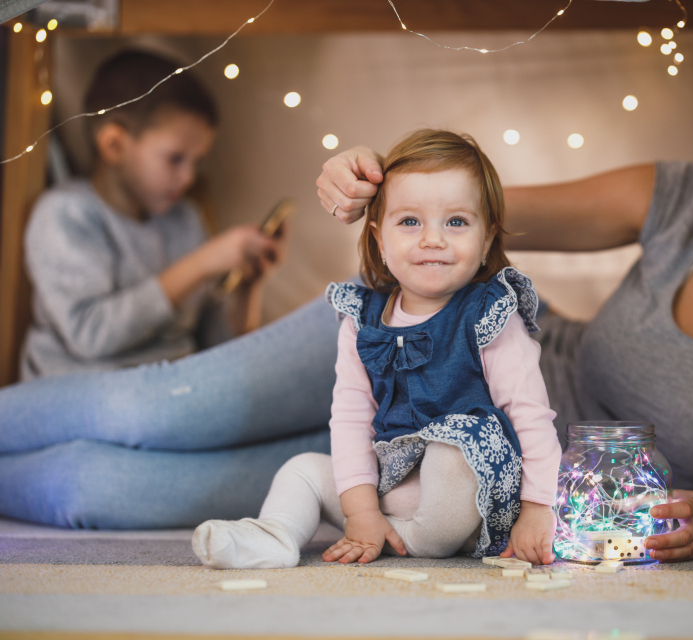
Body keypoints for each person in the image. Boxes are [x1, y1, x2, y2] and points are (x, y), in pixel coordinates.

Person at [0, 27, 693, 562]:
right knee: (150, 408)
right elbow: (467, 206)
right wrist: (372, 180)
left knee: (97, 489)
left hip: (464, 467)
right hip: (418, 331)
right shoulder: (681, 198)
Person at [191, 129, 560, 569]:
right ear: (379, 239)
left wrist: (537, 508)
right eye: (410, 222)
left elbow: (529, 413)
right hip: (392, 488)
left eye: (457, 222)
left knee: (453, 450)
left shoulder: (491, 313)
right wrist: (361, 512)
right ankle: (276, 535)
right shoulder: (361, 318)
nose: (433, 239)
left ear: (486, 241)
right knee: (302, 468)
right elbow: (350, 418)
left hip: (467, 496)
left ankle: (415, 539)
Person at [20, 50, 285, 380]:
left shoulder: (185, 218)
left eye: (196, 161)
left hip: (171, 386)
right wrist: (201, 263)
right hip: (86, 388)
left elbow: (217, 345)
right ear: (115, 145)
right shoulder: (65, 214)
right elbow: (89, 335)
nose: (189, 177)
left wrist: (249, 286)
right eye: (176, 159)